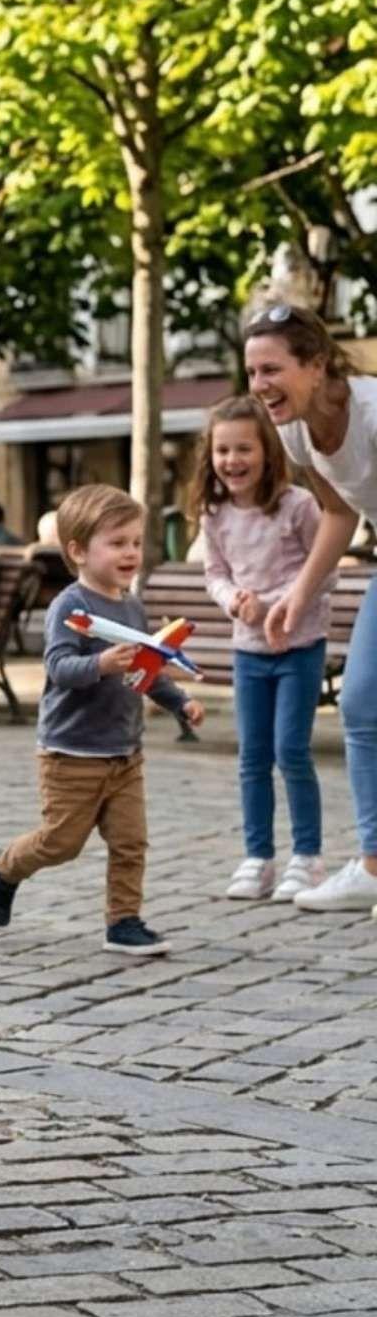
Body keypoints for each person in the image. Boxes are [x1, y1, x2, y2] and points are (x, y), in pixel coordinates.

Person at [0, 484, 204, 955]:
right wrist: (101, 664)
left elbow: (147, 669)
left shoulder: (132, 606)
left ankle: (123, 921)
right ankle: (3, 867)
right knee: (61, 843)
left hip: (125, 752)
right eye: (117, 543)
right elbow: (59, 668)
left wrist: (180, 703)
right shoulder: (70, 605)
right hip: (72, 751)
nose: (131, 552)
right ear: (78, 551)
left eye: (135, 542)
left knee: (131, 842)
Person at [244, 302, 377, 913]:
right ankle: (373, 866)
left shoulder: (371, 413)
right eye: (252, 372)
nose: (259, 385)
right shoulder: (293, 428)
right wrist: (297, 595)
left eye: (271, 369)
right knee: (360, 702)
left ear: (317, 365)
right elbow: (339, 512)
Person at [195, 396, 331, 905]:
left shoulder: (298, 506)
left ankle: (308, 857)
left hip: (299, 647)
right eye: (222, 450)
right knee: (252, 757)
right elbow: (215, 575)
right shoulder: (214, 515)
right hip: (248, 652)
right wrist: (235, 600)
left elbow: (325, 572)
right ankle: (259, 857)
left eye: (243, 449)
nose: (232, 460)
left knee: (290, 750)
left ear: (268, 451)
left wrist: (273, 604)